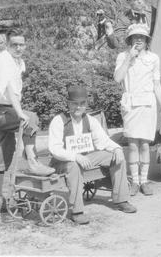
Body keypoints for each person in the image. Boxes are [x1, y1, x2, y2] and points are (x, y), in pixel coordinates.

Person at [0, 28, 55, 212]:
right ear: (7, 45)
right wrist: (20, 112)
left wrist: (16, 110)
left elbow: (13, 90)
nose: (18, 48)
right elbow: (8, 89)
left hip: (5, 110)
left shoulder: (18, 62)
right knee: (30, 117)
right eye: (14, 44)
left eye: (21, 44)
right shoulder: (4, 60)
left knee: (0, 152)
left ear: (25, 45)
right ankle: (32, 161)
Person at [48, 82, 137, 225]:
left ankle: (121, 199)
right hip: (63, 162)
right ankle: (77, 211)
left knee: (116, 156)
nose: (78, 107)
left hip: (85, 158)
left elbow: (103, 141)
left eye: (82, 103)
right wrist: (75, 156)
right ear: (68, 104)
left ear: (86, 104)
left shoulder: (90, 120)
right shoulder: (59, 121)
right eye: (74, 104)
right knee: (74, 166)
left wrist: (117, 149)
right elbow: (55, 149)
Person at [114, 24, 161, 196]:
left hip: (147, 104)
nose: (139, 40)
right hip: (130, 104)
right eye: (135, 37)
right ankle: (134, 182)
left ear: (146, 40)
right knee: (132, 144)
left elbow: (157, 85)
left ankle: (144, 181)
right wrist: (129, 58)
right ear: (130, 40)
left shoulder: (153, 58)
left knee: (144, 144)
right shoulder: (122, 56)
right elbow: (117, 78)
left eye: (142, 37)